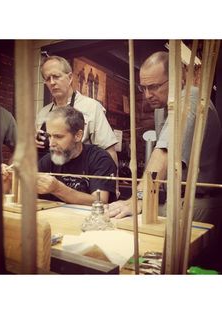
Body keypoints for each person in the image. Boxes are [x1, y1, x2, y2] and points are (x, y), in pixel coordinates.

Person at [109, 51, 222, 225]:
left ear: (178, 78)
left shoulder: (190, 98)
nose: (147, 95)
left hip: (198, 203)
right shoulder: (162, 108)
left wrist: (138, 198)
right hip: (176, 199)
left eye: (154, 86)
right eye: (143, 88)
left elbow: (164, 152)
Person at [36, 56, 118, 169]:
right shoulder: (43, 113)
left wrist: (113, 184)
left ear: (70, 78)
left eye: (56, 76)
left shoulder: (92, 107)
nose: (52, 82)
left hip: (81, 179)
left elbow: (109, 152)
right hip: (48, 176)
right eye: (47, 78)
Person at [37, 106, 117, 205]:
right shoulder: (48, 160)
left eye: (58, 136)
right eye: (49, 136)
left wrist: (57, 188)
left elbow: (100, 201)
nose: (51, 144)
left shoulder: (99, 158)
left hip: (90, 219)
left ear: (78, 136)